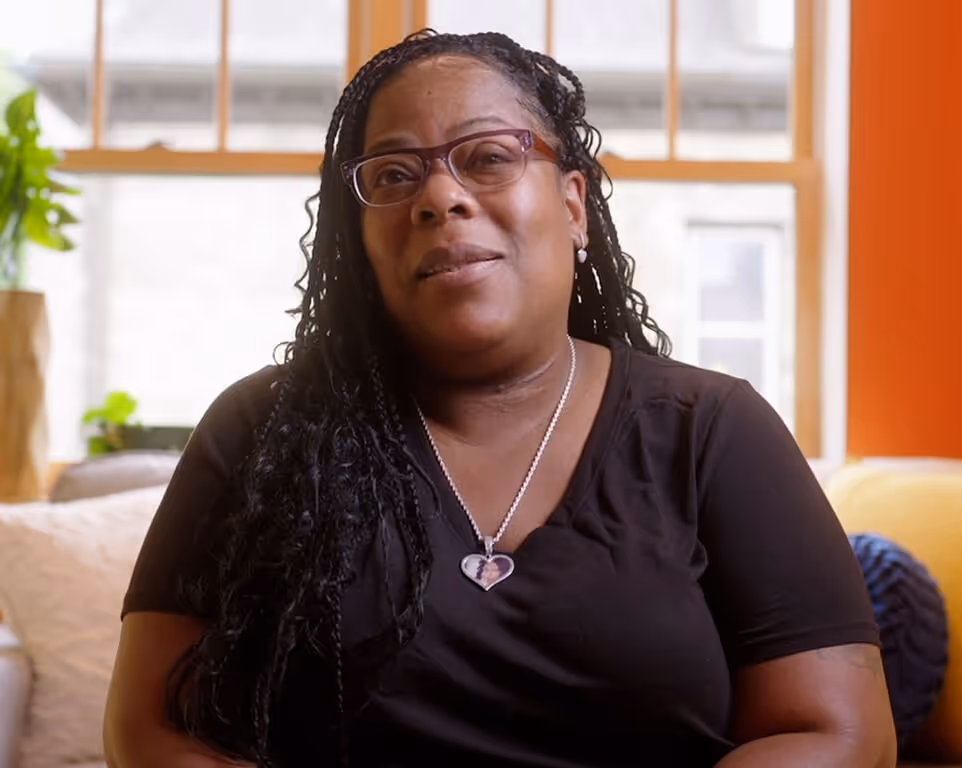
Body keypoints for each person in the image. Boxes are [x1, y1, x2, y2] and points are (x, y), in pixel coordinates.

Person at [103, 29, 897, 768]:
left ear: (574, 206)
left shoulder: (713, 431)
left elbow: (836, 732)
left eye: (487, 157)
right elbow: (149, 728)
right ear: (361, 239)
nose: (439, 198)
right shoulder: (261, 431)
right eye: (393, 174)